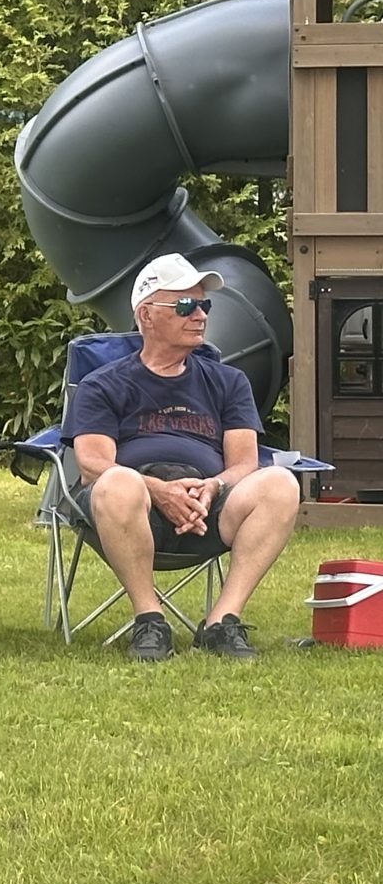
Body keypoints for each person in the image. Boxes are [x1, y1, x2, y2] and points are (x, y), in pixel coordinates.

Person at [61, 252, 301, 661]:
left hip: (209, 506)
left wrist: (214, 486)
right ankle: (149, 621)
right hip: (132, 508)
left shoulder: (229, 381)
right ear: (147, 315)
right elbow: (92, 464)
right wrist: (159, 490)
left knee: (280, 483)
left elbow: (245, 463)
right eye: (186, 305)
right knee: (118, 481)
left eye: (204, 304)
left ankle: (222, 621)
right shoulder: (103, 384)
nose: (200, 315)